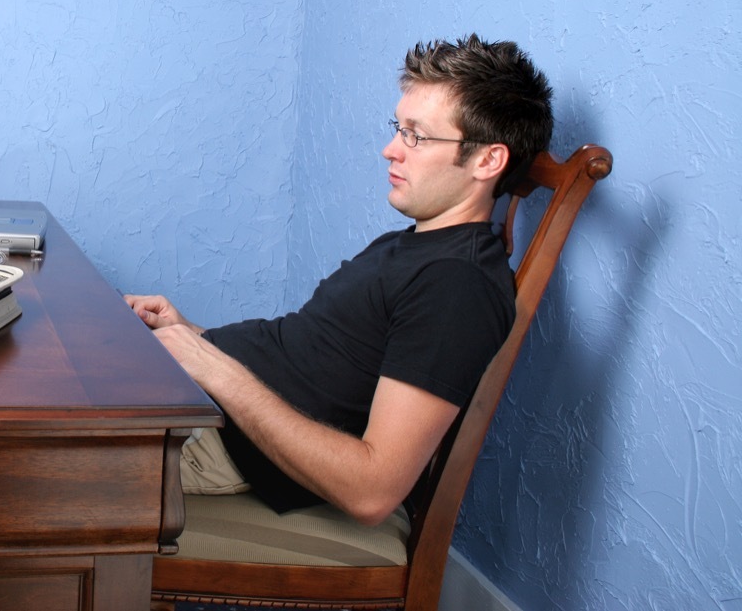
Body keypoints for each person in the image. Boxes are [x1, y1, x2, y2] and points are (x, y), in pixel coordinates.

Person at [126, 34, 554, 526]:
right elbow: (317, 361)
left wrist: (214, 369)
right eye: (399, 127)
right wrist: (194, 337)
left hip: (217, 442)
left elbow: (372, 491)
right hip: (207, 402)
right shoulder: (416, 246)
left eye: (416, 135)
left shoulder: (457, 286)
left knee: (27, 448)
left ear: (487, 160)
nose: (390, 149)